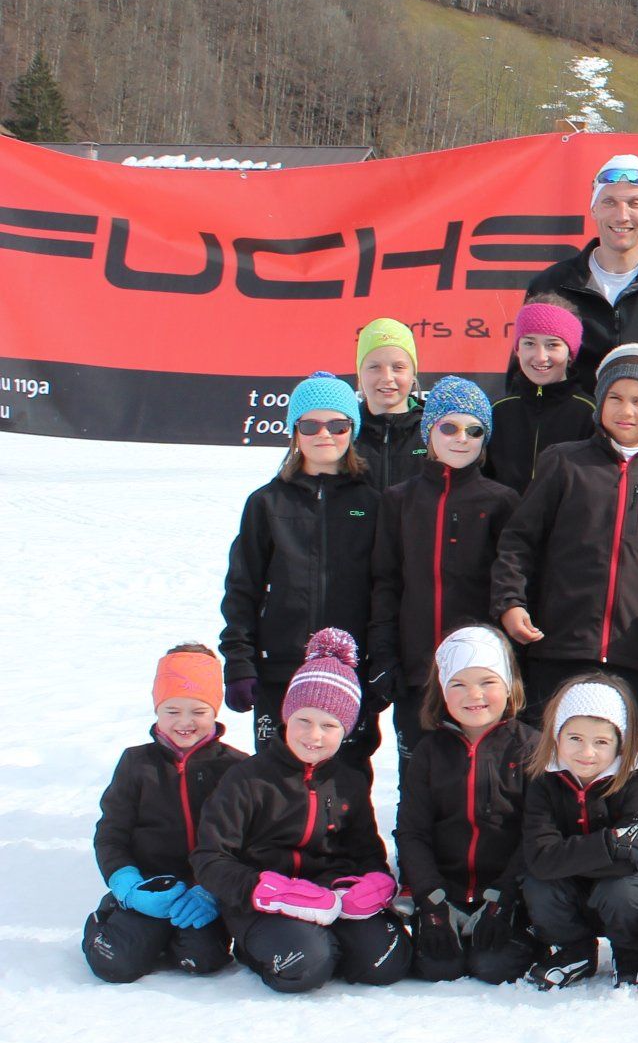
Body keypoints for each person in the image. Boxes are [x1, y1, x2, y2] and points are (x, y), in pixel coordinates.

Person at [191, 629, 411, 991]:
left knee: (387, 962)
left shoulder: (349, 781)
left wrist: (372, 884)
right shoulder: (247, 779)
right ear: (287, 716)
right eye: (303, 721)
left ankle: (327, 945)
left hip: (330, 898)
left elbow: (366, 851)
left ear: (345, 730)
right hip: (263, 902)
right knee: (305, 965)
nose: (314, 735)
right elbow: (210, 858)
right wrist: (265, 889)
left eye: (329, 725)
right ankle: (273, 947)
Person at [490, 343, 638, 709]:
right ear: (600, 402)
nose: (626, 411)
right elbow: (520, 540)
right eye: (615, 398)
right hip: (558, 644)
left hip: (632, 653)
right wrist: (510, 601)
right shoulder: (564, 462)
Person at [220, 372, 383, 755]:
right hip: (280, 669)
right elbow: (242, 588)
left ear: (352, 430)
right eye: (310, 425)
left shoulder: (373, 503)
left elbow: (386, 588)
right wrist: (239, 662)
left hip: (349, 672)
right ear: (295, 431)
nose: (324, 434)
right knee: (276, 776)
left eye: (337, 425)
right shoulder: (266, 503)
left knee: (344, 778)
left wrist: (380, 662)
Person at [368, 376, 516, 764]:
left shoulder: (501, 501)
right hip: (416, 673)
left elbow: (511, 585)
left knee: (474, 776)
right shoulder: (399, 500)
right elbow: (386, 582)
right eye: (448, 427)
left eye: (474, 430)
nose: (461, 438)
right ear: (429, 432)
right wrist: (384, 655)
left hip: (477, 680)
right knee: (416, 776)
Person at [83, 644, 244, 983]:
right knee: (117, 963)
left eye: (198, 711)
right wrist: (127, 885)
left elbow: (250, 840)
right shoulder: (136, 763)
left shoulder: (236, 768)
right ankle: (110, 915)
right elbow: (111, 832)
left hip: (204, 891)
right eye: (172, 710)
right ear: (157, 709)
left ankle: (171, 937)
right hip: (149, 887)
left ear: (214, 710)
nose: (185, 722)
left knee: (202, 959)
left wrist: (215, 891)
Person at [396, 626, 541, 984]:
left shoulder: (531, 747)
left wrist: (505, 897)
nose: (474, 695)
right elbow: (412, 831)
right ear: (442, 691)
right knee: (438, 968)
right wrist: (431, 899)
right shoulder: (429, 751)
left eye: (487, 682)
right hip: (445, 892)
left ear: (509, 686)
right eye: (458, 684)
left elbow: (536, 832)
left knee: (494, 966)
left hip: (505, 891)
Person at [524, 153, 638, 387]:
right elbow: (525, 382)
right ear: (594, 210)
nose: (622, 216)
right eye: (610, 202)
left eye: (634, 203)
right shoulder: (551, 286)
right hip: (573, 412)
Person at [519, 675, 638, 989]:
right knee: (539, 885)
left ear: (620, 743)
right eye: (575, 738)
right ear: (557, 736)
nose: (587, 752)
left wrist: (566, 855)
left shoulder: (634, 782)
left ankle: (630, 956)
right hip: (567, 894)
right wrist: (607, 844)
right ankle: (575, 950)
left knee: (623, 890)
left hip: (615, 892)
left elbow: (633, 856)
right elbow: (540, 857)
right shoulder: (544, 783)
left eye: (601, 742)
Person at [487, 296, 593, 492]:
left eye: (552, 345)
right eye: (529, 343)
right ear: (517, 349)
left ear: (570, 352)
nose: (540, 357)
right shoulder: (496, 412)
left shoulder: (591, 413)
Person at [350, 318, 429, 496]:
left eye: (398, 367)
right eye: (374, 367)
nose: (387, 377)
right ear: (360, 374)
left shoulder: (434, 430)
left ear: (413, 374)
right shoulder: (343, 431)